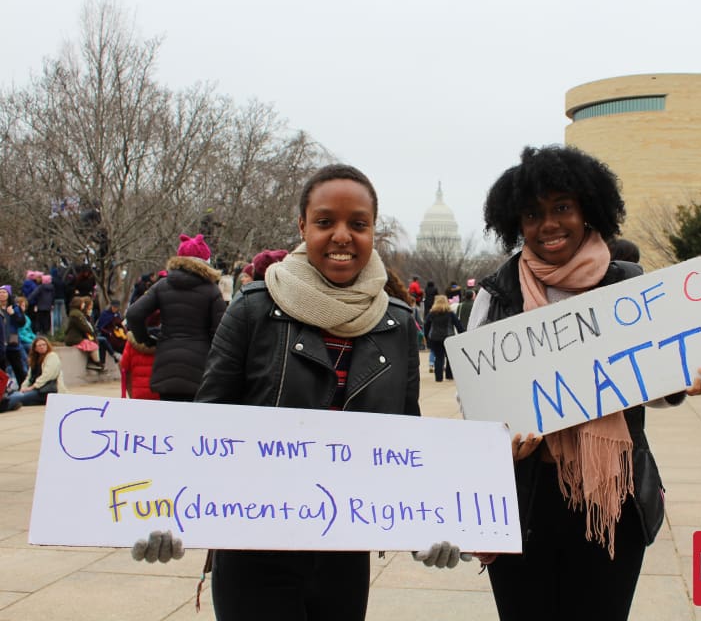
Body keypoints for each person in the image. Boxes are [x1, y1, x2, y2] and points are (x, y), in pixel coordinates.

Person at [131, 164, 467, 618]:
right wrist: (165, 510)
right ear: (302, 227)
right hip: (254, 552)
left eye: (359, 224)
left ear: (373, 232)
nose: (343, 236)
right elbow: (205, 426)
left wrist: (429, 523)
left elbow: (406, 439)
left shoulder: (398, 324)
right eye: (326, 222)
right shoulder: (251, 311)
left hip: (344, 555)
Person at [472, 145, 701, 621]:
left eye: (562, 208)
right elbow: (478, 399)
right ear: (515, 222)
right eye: (533, 214)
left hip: (613, 497)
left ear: (589, 208)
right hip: (524, 500)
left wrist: (689, 379)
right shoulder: (496, 292)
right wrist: (499, 438)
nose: (549, 225)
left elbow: (654, 378)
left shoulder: (628, 284)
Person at [126, 234, 226, 402]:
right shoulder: (212, 291)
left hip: (166, 364)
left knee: (169, 424)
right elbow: (220, 332)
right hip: (200, 366)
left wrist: (147, 339)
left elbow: (133, 314)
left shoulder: (162, 285)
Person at [0, 336, 64, 412]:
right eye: (39, 345)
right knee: (15, 394)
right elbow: (29, 377)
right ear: (35, 348)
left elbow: (47, 376)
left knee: (18, 397)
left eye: (44, 345)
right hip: (36, 389)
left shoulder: (52, 356)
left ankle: (4, 407)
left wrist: (31, 387)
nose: (42, 347)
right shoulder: (35, 359)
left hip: (46, 390)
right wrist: (23, 387)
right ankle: (10, 405)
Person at [423, 294, 463, 382]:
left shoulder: (432, 313)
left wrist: (426, 336)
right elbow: (458, 325)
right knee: (450, 358)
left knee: (439, 357)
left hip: (435, 338)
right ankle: (449, 375)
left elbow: (426, 325)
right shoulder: (450, 313)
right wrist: (462, 334)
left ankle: (439, 377)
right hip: (448, 337)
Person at [63, 296, 103, 371]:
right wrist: (92, 332)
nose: (84, 305)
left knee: (96, 341)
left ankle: (95, 362)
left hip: (77, 337)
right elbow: (85, 326)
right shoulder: (76, 315)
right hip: (75, 339)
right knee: (93, 345)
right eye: (82, 304)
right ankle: (96, 362)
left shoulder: (77, 313)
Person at [2, 285, 29, 384]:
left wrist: (13, 314)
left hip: (12, 342)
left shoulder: (15, 308)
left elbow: (22, 323)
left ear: (9, 294)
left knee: (18, 368)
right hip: (1, 342)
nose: (2, 294)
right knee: (2, 370)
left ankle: (23, 387)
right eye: (0, 292)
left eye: (4, 292)